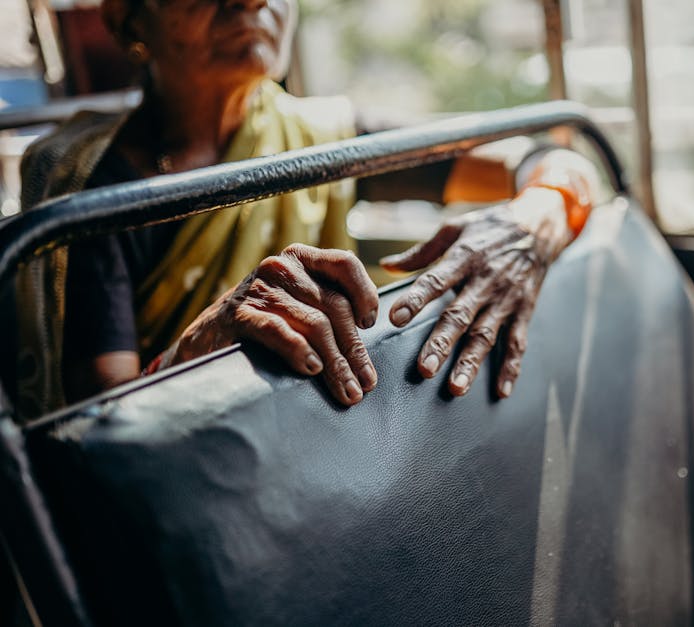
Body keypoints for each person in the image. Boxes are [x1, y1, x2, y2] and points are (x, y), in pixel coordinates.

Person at [15, 0, 603, 418]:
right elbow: (99, 422)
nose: (251, 1)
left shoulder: (323, 138)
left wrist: (534, 222)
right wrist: (205, 342)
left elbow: (547, 158)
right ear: (129, 18)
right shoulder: (89, 187)